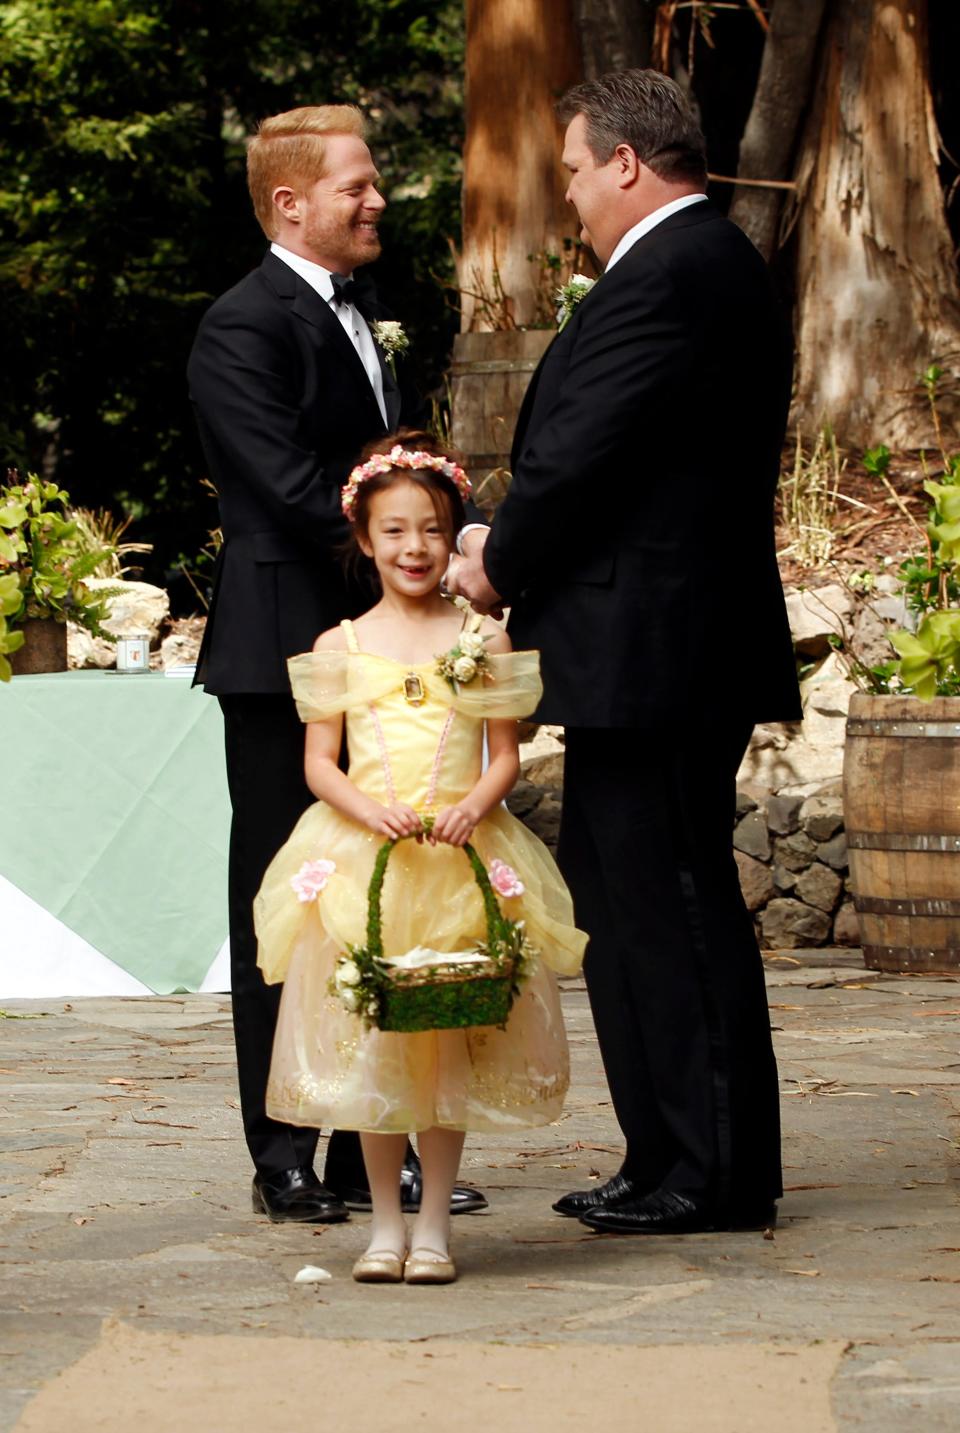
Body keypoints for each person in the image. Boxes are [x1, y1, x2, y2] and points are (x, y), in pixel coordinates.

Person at [449, 69, 801, 1235]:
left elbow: (581, 457)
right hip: (642, 653)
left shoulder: (677, 274)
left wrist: (495, 561)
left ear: (627, 165)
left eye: (572, 170)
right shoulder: (692, 269)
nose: (568, 195)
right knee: (623, 898)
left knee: (674, 901)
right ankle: (665, 1152)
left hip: (663, 653)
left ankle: (715, 1168)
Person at [187, 104, 486, 1222]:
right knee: (289, 894)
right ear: (290, 203)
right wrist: (418, 540)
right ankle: (282, 1149)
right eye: (357, 186)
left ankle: (393, 1141)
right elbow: (290, 485)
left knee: (396, 893)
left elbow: (399, 467)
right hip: (285, 654)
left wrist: (453, 535)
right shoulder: (239, 326)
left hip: (390, 650)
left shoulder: (369, 315)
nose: (377, 200)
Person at [253, 432, 587, 1282]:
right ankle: (385, 1225)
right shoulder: (340, 646)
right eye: (395, 531)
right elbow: (319, 763)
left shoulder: (484, 639)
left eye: (433, 529)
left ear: (455, 536)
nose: (415, 548)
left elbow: (504, 754)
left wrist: (476, 804)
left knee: (444, 1042)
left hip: (457, 858)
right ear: (364, 539)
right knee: (377, 1047)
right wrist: (371, 810)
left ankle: (435, 1222)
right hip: (369, 859)